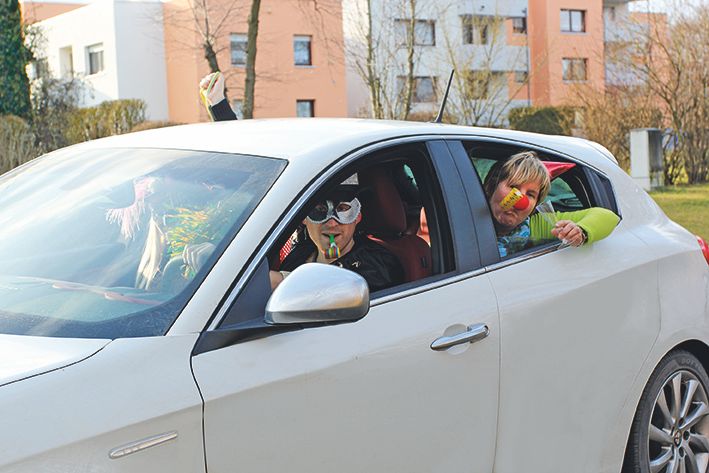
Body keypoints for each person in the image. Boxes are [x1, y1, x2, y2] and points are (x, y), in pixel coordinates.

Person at [196, 73, 404, 292]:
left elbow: (324, 289)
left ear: (358, 216)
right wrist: (219, 107)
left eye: (343, 210)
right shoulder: (299, 251)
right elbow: (260, 184)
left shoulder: (378, 263)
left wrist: (222, 272)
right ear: (304, 218)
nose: (332, 223)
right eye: (320, 210)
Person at [483, 151, 620, 258]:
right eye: (513, 187)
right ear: (491, 186)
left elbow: (607, 216)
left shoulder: (535, 225)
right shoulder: (464, 218)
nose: (520, 200)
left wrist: (579, 231)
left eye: (530, 194)